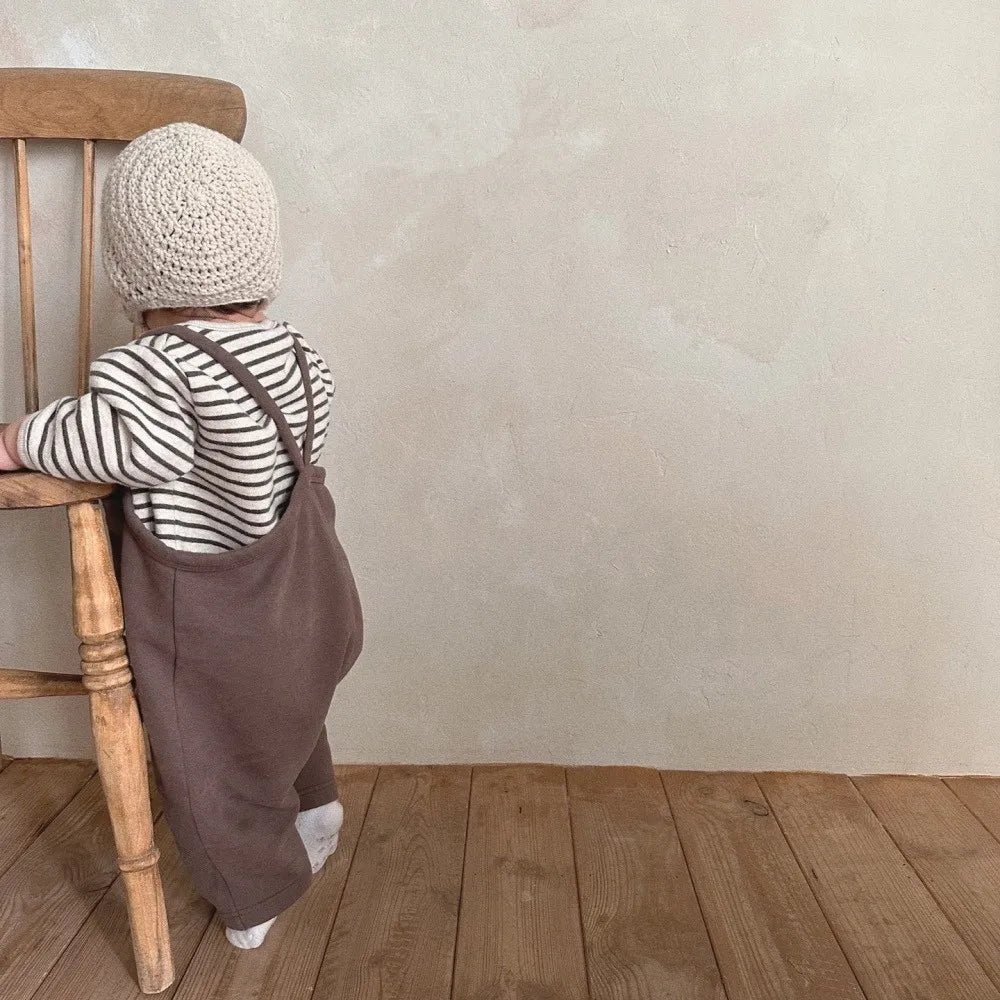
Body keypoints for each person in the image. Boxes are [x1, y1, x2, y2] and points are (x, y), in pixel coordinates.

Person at [0, 121, 363, 949]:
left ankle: (255, 896)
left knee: (209, 767)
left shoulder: (149, 367)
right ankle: (317, 809)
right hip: (308, 600)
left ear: (130, 275)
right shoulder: (300, 355)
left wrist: (18, 438)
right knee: (286, 716)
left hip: (213, 622)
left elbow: (128, 444)